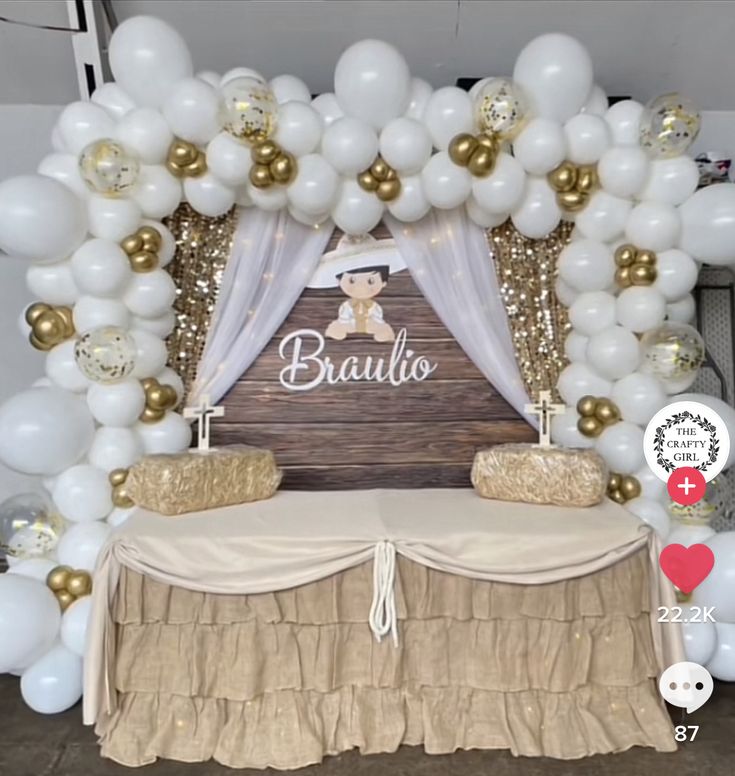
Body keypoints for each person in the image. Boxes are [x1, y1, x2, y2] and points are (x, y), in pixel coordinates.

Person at [325, 265, 395, 342]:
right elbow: (343, 317)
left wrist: (375, 322)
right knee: (340, 325)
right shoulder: (347, 305)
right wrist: (346, 322)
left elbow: (377, 317)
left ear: (383, 283)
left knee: (379, 326)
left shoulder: (374, 306)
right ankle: (335, 331)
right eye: (352, 280)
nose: (361, 287)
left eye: (370, 281)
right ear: (339, 281)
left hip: (368, 324)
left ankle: (384, 334)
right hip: (351, 324)